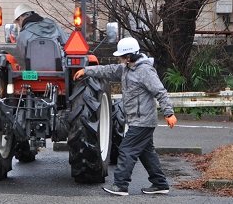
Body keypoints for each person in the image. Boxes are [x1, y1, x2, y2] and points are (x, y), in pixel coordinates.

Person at [73, 37, 177, 196]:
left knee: (126, 150)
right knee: (146, 152)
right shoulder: (125, 69)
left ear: (129, 57)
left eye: (121, 57)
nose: (120, 59)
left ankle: (120, 186)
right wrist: (86, 71)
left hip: (143, 121)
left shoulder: (145, 71)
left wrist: (169, 113)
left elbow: (160, 91)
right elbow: (106, 70)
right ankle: (160, 184)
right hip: (138, 120)